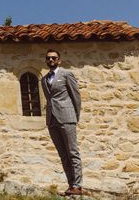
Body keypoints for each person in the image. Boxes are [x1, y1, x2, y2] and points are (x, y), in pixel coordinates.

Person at [41, 49, 82, 196]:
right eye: (48, 58)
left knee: (72, 152)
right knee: (63, 154)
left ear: (59, 60)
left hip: (67, 116)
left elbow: (76, 96)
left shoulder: (66, 74)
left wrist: (75, 116)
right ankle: (71, 186)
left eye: (54, 58)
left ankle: (78, 185)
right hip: (52, 119)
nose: (51, 60)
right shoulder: (44, 79)